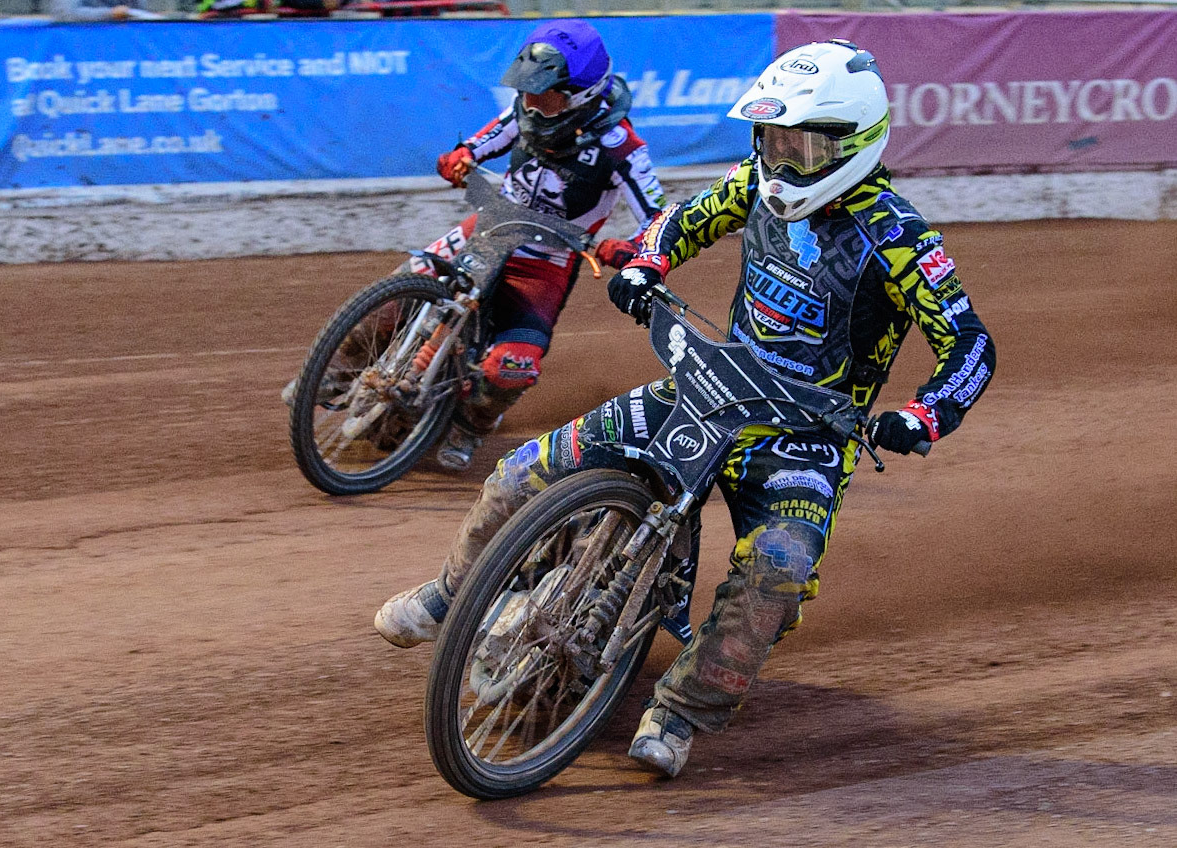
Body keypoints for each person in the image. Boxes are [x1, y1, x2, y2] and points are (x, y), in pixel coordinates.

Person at [374, 39, 996, 778]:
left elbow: (970, 344)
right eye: (770, 138)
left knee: (778, 569)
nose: (780, 159)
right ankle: (451, 595)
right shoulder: (752, 182)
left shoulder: (898, 236)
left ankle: (679, 711)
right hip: (708, 387)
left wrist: (924, 417)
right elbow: (683, 220)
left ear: (851, 144)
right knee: (522, 472)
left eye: (800, 144)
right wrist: (646, 262)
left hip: (803, 437)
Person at [283, 20, 667, 472]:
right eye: (525, 91)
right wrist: (461, 155)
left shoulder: (622, 148)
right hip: (487, 228)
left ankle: (472, 424)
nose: (530, 103)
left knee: (515, 364)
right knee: (402, 287)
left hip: (543, 265)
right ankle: (333, 374)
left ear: (579, 95)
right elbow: (485, 141)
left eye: (543, 95)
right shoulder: (525, 111)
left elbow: (660, 220)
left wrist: (633, 250)